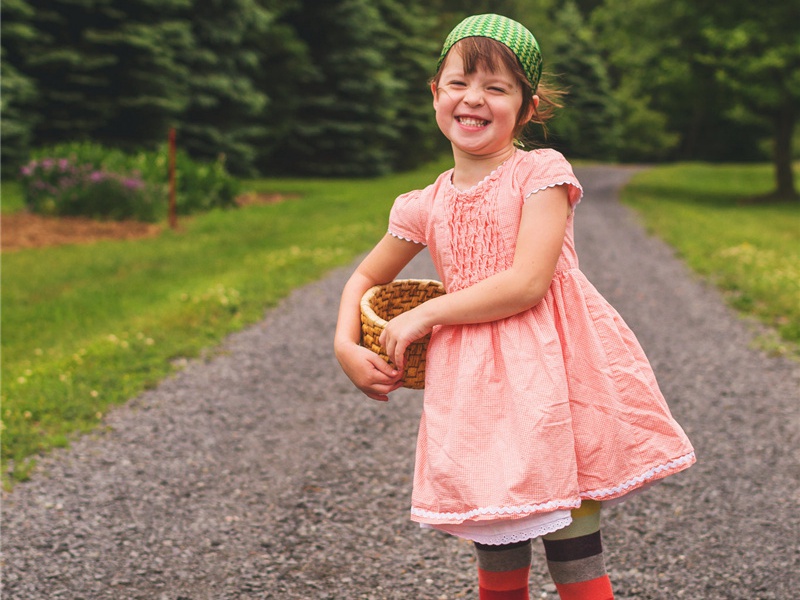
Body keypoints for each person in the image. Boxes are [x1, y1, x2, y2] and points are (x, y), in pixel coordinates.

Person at [334, 13, 695, 600]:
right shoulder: (424, 204)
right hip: (478, 396)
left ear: (526, 109)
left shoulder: (541, 175)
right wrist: (344, 344)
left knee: (575, 552)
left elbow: (528, 282)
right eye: (458, 83)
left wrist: (428, 312)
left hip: (554, 379)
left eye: (496, 88)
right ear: (435, 93)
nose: (473, 99)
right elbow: (365, 277)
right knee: (498, 550)